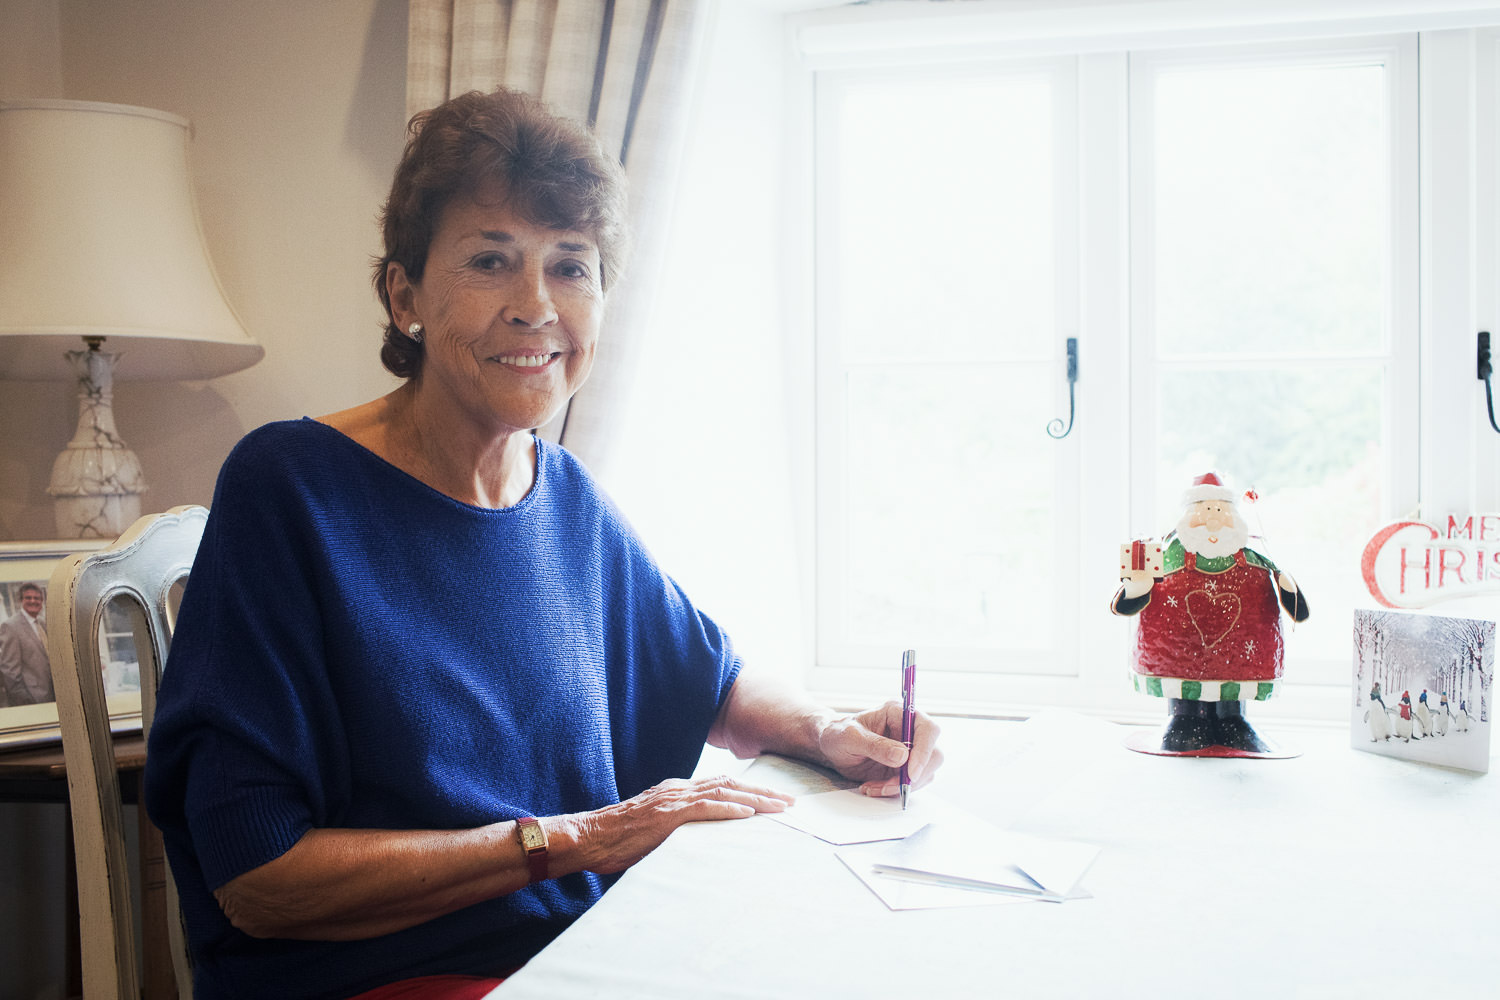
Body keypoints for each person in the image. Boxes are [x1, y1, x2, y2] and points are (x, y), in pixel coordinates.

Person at [145, 88, 943, 1000]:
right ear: (404, 296)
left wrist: (831, 732)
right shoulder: (291, 487)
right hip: (387, 979)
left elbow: (712, 678)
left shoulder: (560, 493)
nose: (537, 307)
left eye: (572, 266)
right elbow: (260, 882)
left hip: (575, 956)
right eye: (492, 260)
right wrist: (582, 838)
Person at [1112, 472, 1309, 754]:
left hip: (1241, 644)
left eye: (1219, 511)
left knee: (1233, 684)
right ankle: (1184, 717)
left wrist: (1288, 589)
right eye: (1205, 512)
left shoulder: (1254, 556)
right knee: (1185, 686)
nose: (1213, 520)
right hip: (1177, 646)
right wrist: (1136, 589)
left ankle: (1233, 718)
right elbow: (1130, 599)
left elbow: (1286, 588)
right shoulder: (1165, 555)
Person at [0, 582, 52, 706]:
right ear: (20, 601)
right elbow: (10, 672)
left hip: (51, 697)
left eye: (37, 598)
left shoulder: (43, 624)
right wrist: (26, 701)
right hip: (32, 701)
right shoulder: (10, 627)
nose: (33, 601)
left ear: (42, 602)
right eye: (28, 598)